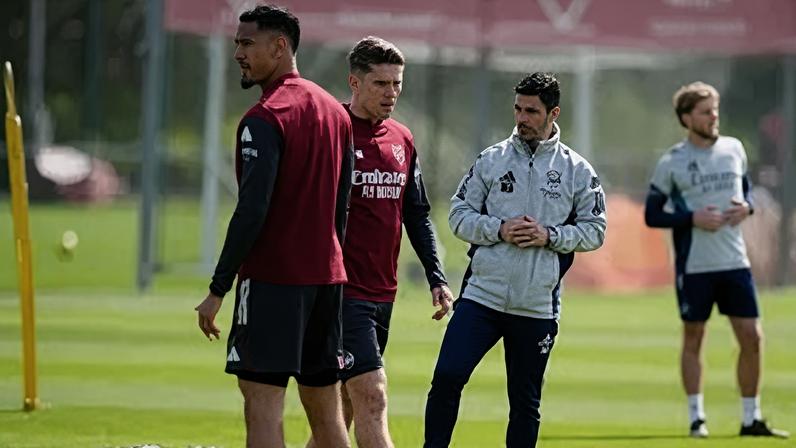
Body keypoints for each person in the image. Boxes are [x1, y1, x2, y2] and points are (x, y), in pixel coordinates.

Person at [193, 5, 354, 447]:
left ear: (279, 46)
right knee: (327, 415)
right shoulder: (336, 114)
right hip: (326, 280)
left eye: (247, 44)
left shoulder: (264, 118)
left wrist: (218, 288)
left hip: (274, 282)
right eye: (236, 44)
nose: (238, 54)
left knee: (262, 407)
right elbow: (343, 206)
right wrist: (330, 262)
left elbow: (251, 210)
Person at [424, 72, 607, 447]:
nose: (521, 118)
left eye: (532, 111)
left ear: (553, 113)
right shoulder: (491, 160)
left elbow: (596, 230)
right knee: (446, 379)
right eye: (518, 109)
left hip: (537, 305)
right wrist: (499, 229)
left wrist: (550, 236)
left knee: (525, 404)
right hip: (482, 297)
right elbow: (458, 215)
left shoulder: (577, 170)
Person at [308, 36, 454, 448]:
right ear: (354, 82)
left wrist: (436, 276)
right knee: (372, 394)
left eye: (397, 83)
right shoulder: (330, 131)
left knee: (345, 408)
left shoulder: (402, 139)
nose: (391, 93)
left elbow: (416, 213)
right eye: (381, 84)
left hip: (382, 291)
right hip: (339, 289)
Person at [644, 81, 789, 439]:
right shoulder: (672, 162)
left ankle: (750, 418)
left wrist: (748, 207)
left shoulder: (733, 149)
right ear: (686, 118)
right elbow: (651, 215)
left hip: (735, 262)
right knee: (694, 336)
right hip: (695, 265)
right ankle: (697, 419)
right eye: (706, 112)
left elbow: (746, 191)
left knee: (752, 337)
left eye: (716, 110)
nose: (714, 117)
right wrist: (690, 218)